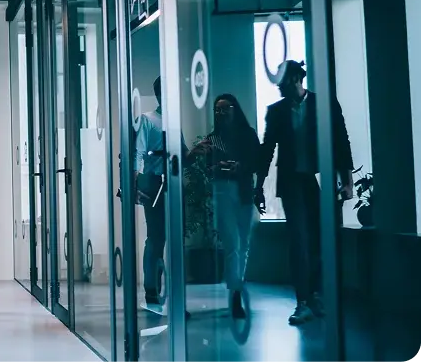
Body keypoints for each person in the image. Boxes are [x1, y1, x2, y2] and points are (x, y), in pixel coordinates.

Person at [256, 60, 353, 325]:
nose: (279, 88)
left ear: (297, 78)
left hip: (319, 179)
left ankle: (315, 295)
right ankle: (302, 301)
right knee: (299, 240)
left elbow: (341, 142)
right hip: (291, 182)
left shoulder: (325, 104)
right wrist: (259, 186)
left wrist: (347, 182)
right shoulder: (276, 112)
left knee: (321, 239)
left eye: (283, 82)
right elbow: (267, 150)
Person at [135, 76, 196, 317]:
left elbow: (182, 156)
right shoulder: (148, 121)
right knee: (156, 237)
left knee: (175, 238)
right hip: (154, 183)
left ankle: (174, 296)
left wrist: (196, 153)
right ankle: (152, 291)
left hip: (173, 182)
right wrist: (135, 184)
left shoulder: (173, 123)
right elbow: (138, 153)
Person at [198, 93, 260, 319]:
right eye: (217, 110)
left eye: (226, 109)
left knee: (243, 245)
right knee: (233, 243)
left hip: (243, 191)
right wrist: (217, 168)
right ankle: (235, 294)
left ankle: (237, 285)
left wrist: (239, 167)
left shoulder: (248, 134)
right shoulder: (212, 139)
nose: (221, 114)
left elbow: (258, 162)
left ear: (236, 109)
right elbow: (206, 168)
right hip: (223, 192)